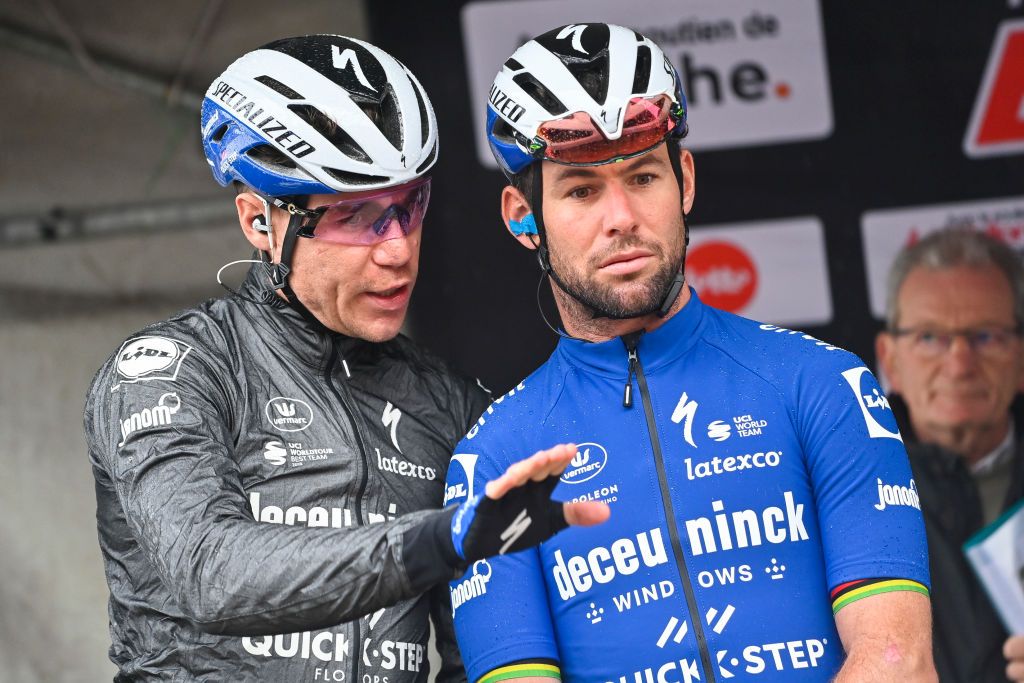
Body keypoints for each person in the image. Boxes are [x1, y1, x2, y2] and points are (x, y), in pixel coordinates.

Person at [84, 34, 606, 682]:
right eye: (356, 215)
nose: (397, 250)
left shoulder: (447, 402)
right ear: (259, 220)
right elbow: (209, 572)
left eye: (409, 207)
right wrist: (439, 539)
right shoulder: (175, 371)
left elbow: (477, 652)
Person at [444, 22, 937, 683]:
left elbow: (897, 659)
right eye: (582, 190)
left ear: (685, 180)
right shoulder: (496, 456)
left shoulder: (823, 384)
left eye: (643, 176)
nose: (621, 216)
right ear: (521, 216)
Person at [875, 228, 1024, 683]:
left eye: (985, 336)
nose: (960, 364)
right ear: (890, 360)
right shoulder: (844, 486)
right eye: (930, 338)